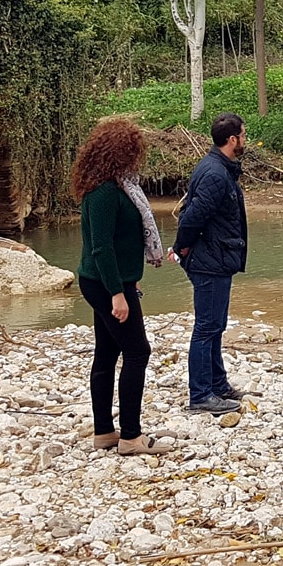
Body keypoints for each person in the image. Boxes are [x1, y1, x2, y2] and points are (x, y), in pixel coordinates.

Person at [72, 115, 168, 455]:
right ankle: (130, 436)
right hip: (103, 284)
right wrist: (117, 293)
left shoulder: (120, 186)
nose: (136, 157)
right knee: (138, 351)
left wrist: (131, 276)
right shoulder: (102, 193)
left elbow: (122, 241)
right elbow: (101, 247)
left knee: (107, 352)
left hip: (114, 280)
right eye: (132, 151)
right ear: (120, 153)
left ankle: (104, 432)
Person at [171, 111, 249, 414]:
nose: (245, 139)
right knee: (207, 328)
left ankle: (218, 384)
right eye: (243, 135)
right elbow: (190, 217)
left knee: (215, 325)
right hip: (210, 260)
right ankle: (201, 395)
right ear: (232, 140)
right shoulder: (216, 174)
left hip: (214, 257)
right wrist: (182, 249)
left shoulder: (218, 167)